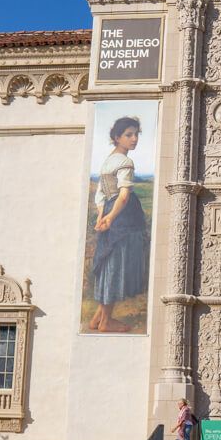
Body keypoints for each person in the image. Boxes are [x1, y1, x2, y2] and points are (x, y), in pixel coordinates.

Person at [88, 115, 151, 333]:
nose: (134, 139)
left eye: (136, 135)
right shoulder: (125, 162)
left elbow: (101, 194)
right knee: (115, 265)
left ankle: (98, 319)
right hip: (124, 217)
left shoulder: (108, 161)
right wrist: (111, 218)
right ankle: (106, 322)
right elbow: (123, 196)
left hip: (109, 212)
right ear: (117, 137)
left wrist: (101, 216)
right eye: (129, 135)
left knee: (109, 264)